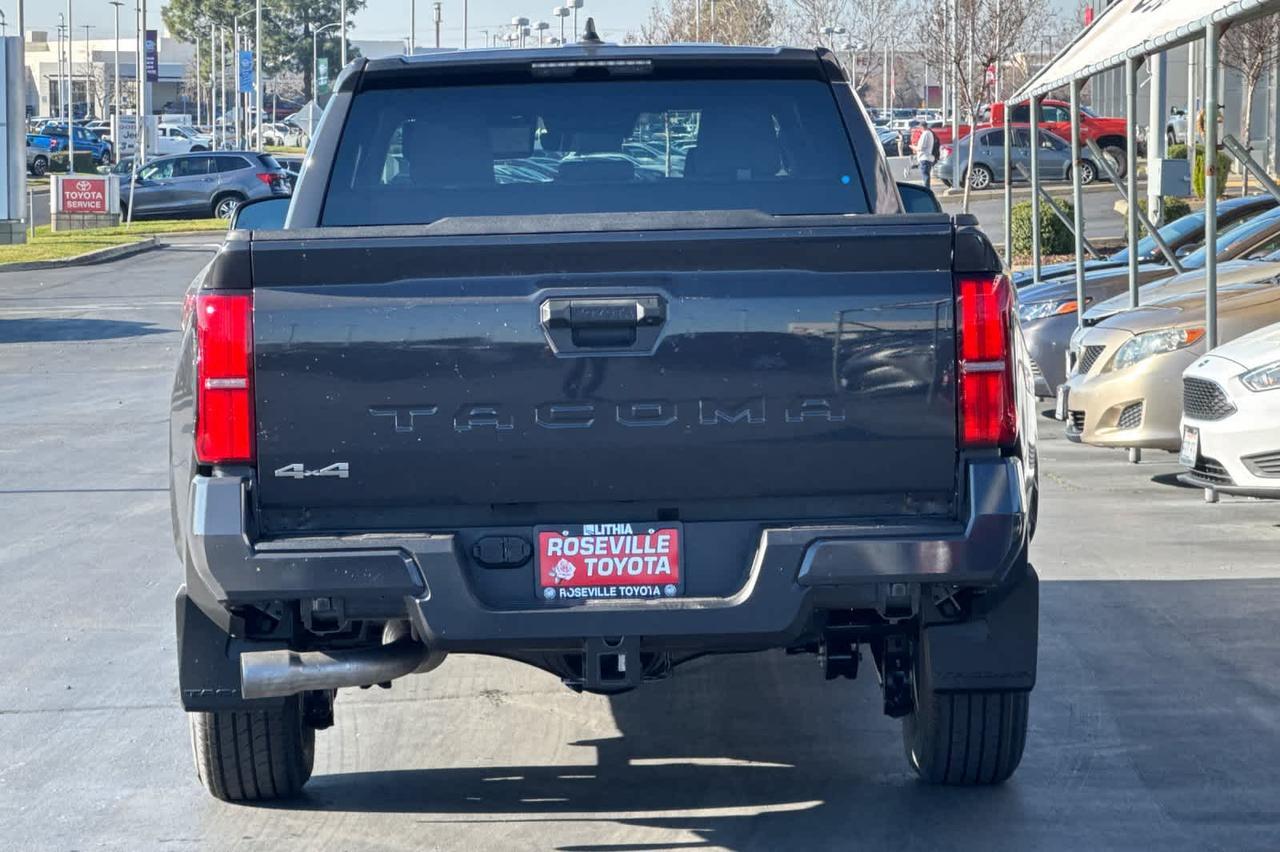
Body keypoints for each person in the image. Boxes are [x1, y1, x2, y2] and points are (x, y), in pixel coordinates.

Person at [914, 124, 937, 191]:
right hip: (928, 158)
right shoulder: (929, 133)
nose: (919, 129)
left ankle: (926, 191)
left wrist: (914, 147)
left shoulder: (925, 134)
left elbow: (920, 147)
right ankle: (927, 190)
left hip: (925, 158)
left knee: (925, 177)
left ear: (922, 127)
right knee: (926, 176)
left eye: (919, 127)